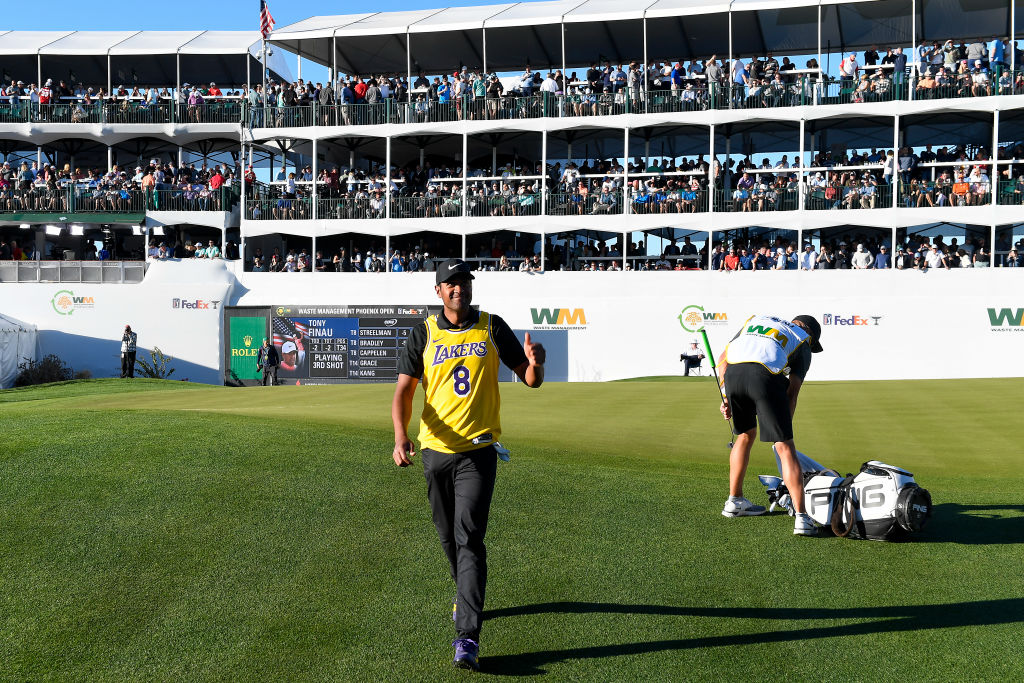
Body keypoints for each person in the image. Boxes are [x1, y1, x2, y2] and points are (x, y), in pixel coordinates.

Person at [391, 258, 546, 672]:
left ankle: (467, 637)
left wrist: (536, 363)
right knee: (447, 537)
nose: (459, 287)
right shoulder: (423, 332)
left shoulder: (492, 326)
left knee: (469, 537)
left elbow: (529, 379)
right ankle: (465, 593)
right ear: (438, 291)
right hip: (434, 451)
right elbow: (404, 391)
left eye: (464, 281)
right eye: (451, 282)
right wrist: (400, 435)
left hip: (478, 453)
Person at [716, 314, 824, 537]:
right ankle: (803, 518)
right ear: (812, 336)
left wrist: (726, 397)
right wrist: (784, 429)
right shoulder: (803, 340)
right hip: (764, 376)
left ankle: (734, 501)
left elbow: (723, 358)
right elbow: (792, 391)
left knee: (745, 434)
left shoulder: (758, 321)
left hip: (733, 374)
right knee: (785, 447)